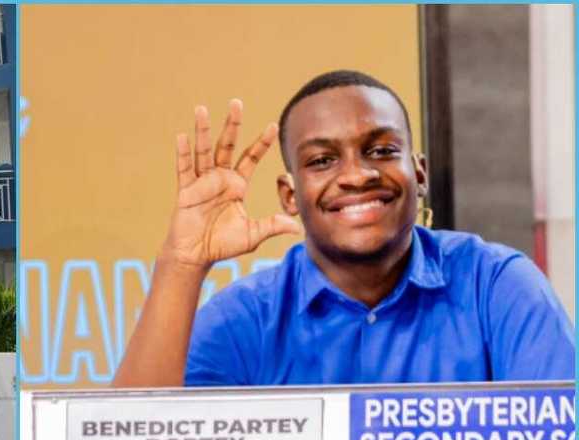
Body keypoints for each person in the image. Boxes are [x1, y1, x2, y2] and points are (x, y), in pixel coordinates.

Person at [114, 70, 574, 388]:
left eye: (380, 150)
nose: (356, 175)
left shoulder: (496, 287)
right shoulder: (245, 320)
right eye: (322, 160)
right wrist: (182, 264)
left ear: (419, 173)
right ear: (290, 196)